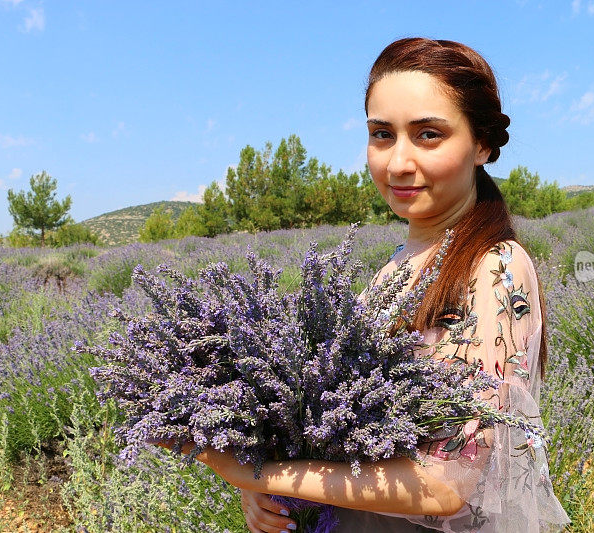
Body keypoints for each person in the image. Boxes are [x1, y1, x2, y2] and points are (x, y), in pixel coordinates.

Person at [184, 37, 571, 533]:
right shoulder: (399, 265)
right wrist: (261, 491)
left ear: (482, 144)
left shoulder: (494, 266)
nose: (397, 163)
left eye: (429, 134)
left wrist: (257, 471)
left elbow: (447, 483)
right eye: (382, 134)